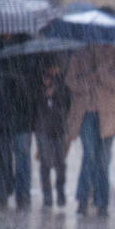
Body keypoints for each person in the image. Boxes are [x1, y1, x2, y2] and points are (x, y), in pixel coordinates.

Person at [66, 32, 115, 217]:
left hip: (108, 114)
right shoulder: (79, 55)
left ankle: (102, 202)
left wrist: (101, 74)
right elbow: (70, 81)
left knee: (103, 159)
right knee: (89, 155)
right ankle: (83, 199)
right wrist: (87, 81)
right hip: (86, 113)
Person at [0, 34, 40, 209]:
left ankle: (23, 193)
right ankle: (4, 190)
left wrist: (18, 77)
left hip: (23, 107)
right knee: (4, 151)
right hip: (1, 107)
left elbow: (34, 74)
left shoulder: (27, 44)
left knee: (22, 151)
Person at [36, 59, 70, 207]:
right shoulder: (37, 79)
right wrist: (43, 94)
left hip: (59, 126)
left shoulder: (63, 82)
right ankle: (47, 195)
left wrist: (55, 93)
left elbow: (68, 103)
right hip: (42, 125)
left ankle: (60, 190)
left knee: (60, 162)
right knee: (45, 161)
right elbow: (32, 100)